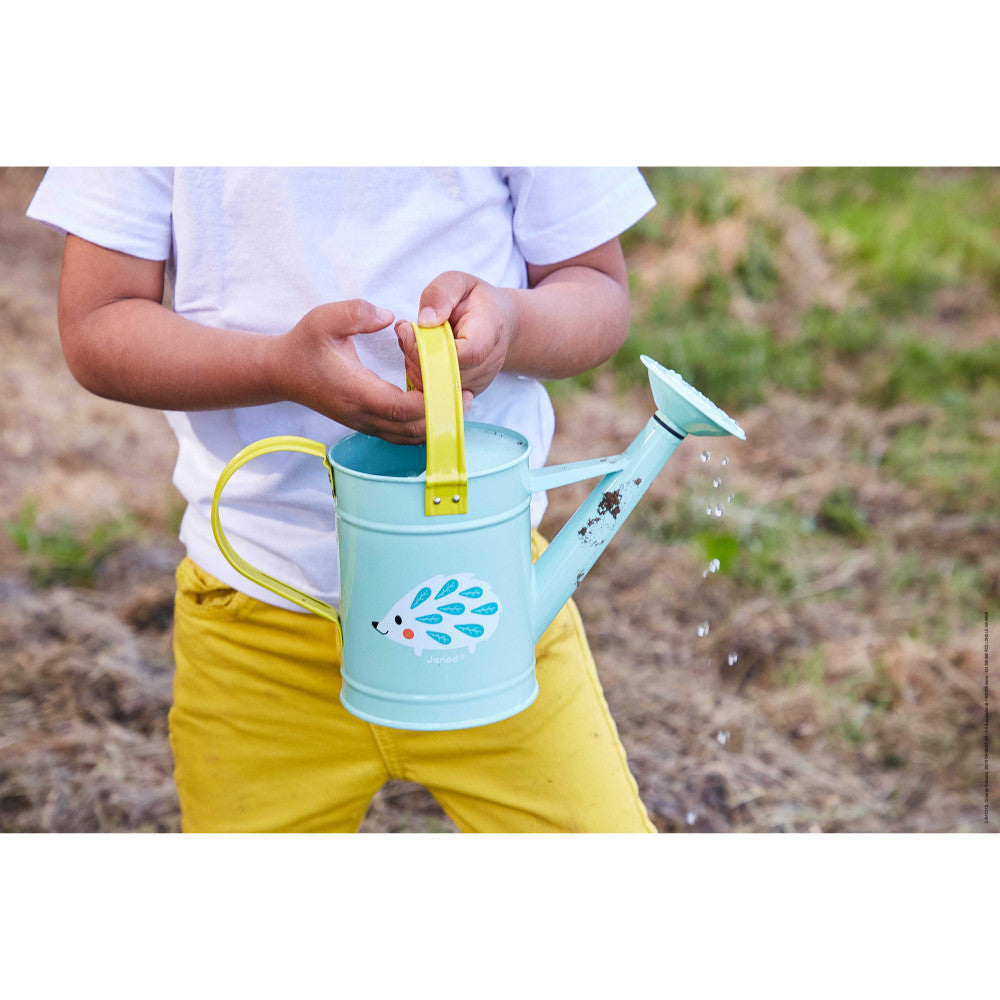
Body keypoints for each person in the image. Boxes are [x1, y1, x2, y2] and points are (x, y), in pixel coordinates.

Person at [27, 167, 658, 833]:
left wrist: (512, 321)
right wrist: (276, 368)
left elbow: (595, 287)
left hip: (488, 614)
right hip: (258, 622)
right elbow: (97, 323)